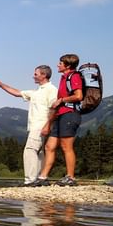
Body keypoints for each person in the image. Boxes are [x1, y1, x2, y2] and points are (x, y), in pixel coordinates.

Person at [0, 65, 57, 186]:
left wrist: (48, 125)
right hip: (37, 126)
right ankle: (38, 179)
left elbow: (54, 108)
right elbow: (17, 93)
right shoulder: (36, 92)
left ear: (44, 75)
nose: (33, 76)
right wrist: (1, 85)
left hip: (41, 125)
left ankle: (30, 180)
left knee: (30, 150)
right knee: (38, 152)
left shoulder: (51, 89)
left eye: (36, 74)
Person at [30, 54, 84, 187]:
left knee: (66, 147)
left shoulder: (74, 76)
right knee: (49, 146)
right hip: (60, 115)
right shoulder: (63, 78)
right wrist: (49, 123)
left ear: (68, 65)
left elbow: (79, 96)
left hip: (70, 115)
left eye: (60, 63)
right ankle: (43, 177)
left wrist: (61, 100)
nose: (57, 65)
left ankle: (70, 177)